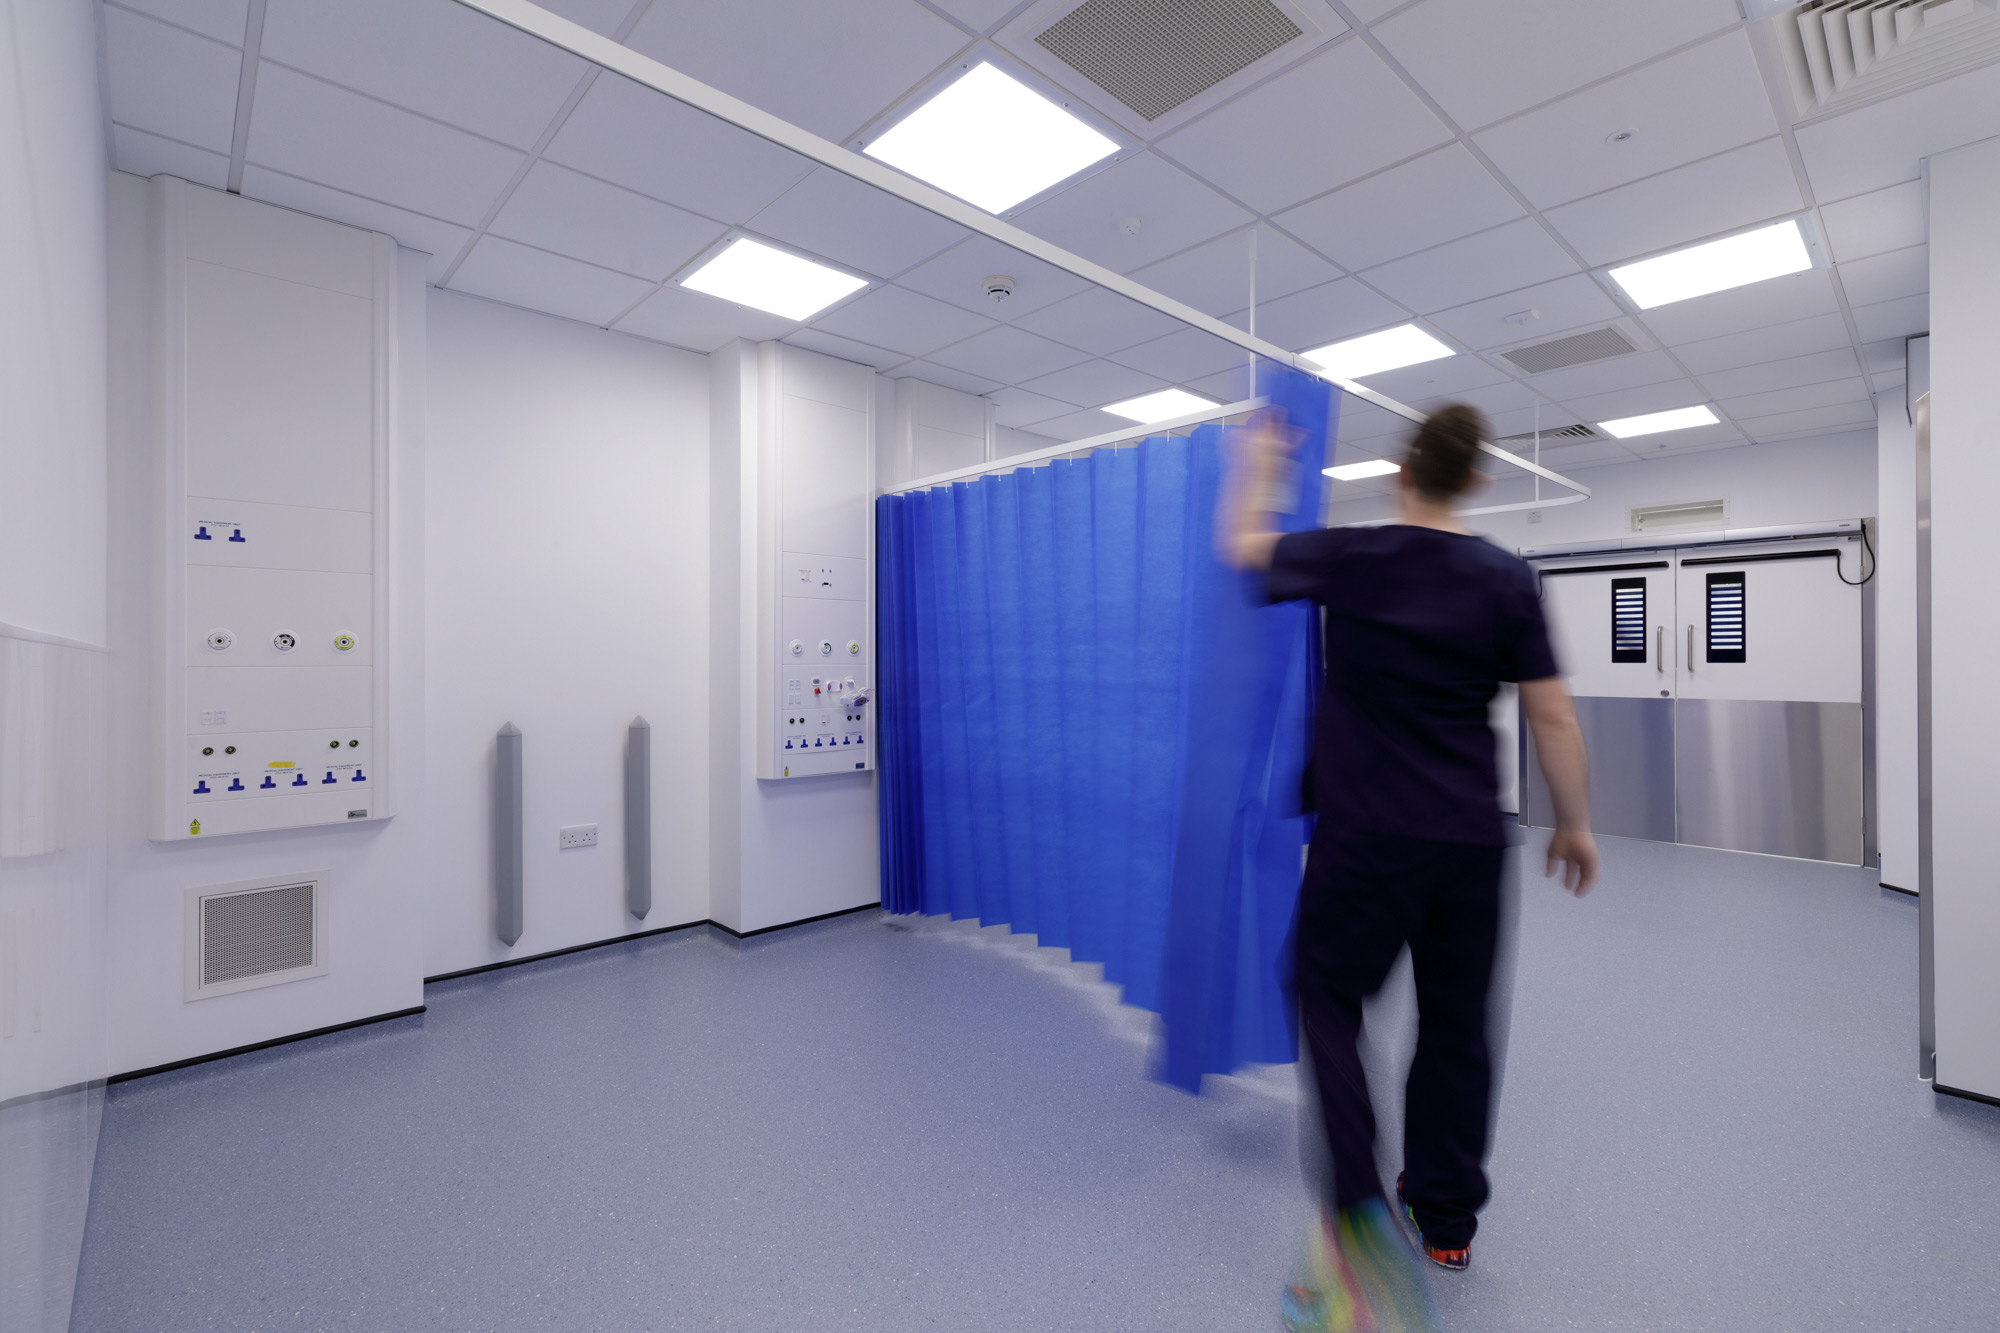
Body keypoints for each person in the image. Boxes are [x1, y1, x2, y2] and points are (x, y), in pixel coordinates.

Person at [1217, 401, 1599, 1329]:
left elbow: (1242, 551)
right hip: (1469, 839)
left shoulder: (1356, 556)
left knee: (1324, 995)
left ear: (1401, 474)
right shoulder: (1506, 577)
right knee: (1457, 1027)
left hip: (1367, 835)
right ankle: (1446, 1218)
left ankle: (1356, 1206)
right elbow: (1552, 714)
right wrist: (1575, 823)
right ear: (1473, 480)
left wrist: (1259, 464)